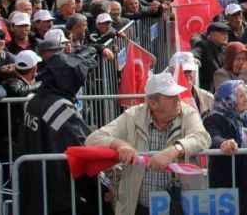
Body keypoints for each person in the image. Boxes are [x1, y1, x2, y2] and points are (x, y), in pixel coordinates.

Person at [85, 71, 211, 215]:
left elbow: (202, 137)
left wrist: (174, 150)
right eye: (171, 96)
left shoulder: (188, 113)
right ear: (153, 103)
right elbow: (93, 139)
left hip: (179, 207)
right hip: (138, 207)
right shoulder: (133, 116)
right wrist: (120, 145)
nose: (178, 98)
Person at [16, 53, 107, 215]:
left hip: (34, 189)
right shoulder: (59, 108)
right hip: (61, 196)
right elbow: (83, 150)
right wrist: (102, 190)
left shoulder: (34, 100)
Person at [203, 80, 247, 208]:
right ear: (228, 99)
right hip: (226, 181)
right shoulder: (213, 119)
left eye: (246, 95)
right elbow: (212, 137)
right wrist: (223, 143)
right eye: (241, 96)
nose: (246, 99)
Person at [191, 22, 230, 91]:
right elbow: (195, 53)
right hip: (208, 90)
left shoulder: (224, 49)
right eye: (222, 33)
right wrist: (195, 58)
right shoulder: (203, 45)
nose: (226, 36)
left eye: (227, 33)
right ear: (212, 34)